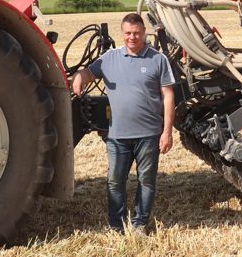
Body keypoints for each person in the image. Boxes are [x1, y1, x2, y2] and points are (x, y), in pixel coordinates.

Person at [70, 13, 176, 233]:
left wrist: (167, 132)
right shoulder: (109, 58)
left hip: (149, 134)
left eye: (136, 33)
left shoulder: (158, 59)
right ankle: (116, 225)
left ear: (144, 32)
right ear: (122, 33)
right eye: (128, 33)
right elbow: (89, 73)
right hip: (117, 135)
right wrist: (79, 76)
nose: (132, 37)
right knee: (115, 181)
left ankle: (139, 224)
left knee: (146, 181)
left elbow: (168, 96)